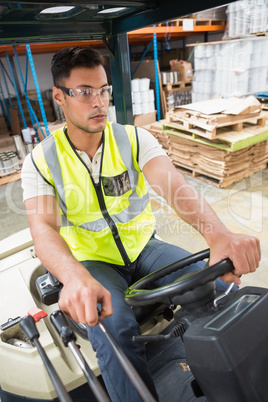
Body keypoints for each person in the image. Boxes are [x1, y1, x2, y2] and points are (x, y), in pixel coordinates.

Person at [21, 46, 261, 402]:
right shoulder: (41, 161)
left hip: (144, 248)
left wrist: (219, 234)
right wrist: (73, 278)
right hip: (93, 263)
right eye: (85, 92)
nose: (99, 102)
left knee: (217, 283)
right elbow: (42, 228)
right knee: (112, 326)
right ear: (60, 96)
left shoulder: (133, 139)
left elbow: (175, 187)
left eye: (103, 90)